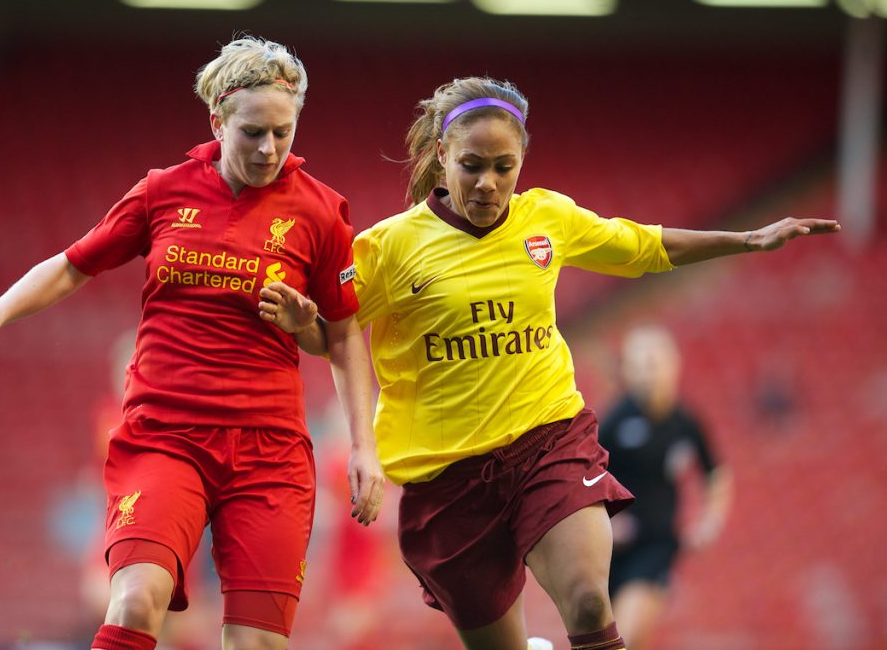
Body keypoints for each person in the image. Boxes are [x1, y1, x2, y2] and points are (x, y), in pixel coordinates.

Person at [260, 76, 839, 650]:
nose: (489, 183)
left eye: (504, 167)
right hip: (446, 480)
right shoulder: (389, 247)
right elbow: (331, 332)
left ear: (521, 162)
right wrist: (301, 322)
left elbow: (643, 246)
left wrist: (747, 239)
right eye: (472, 166)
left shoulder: (547, 219)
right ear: (442, 155)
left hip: (548, 441)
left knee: (589, 600)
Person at [0, 36, 385, 650]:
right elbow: (72, 264)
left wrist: (360, 443)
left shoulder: (321, 213)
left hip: (269, 450)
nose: (269, 148)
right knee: (136, 601)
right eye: (252, 133)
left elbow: (341, 334)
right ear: (217, 120)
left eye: (283, 131)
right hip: (166, 434)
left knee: (258, 643)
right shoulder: (164, 191)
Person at [599, 325, 732, 650]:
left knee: (624, 637)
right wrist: (607, 523)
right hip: (611, 553)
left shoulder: (685, 423)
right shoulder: (615, 421)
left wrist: (709, 523)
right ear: (627, 371)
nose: (648, 375)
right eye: (639, 366)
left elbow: (716, 473)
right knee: (624, 640)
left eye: (654, 365)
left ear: (674, 366)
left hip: (656, 546)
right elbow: (585, 479)